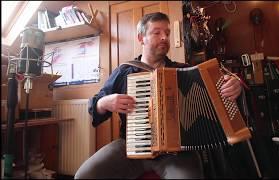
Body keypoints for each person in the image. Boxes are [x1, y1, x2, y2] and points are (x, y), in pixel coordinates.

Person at [75, 12, 242, 179]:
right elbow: (95, 105)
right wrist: (104, 102)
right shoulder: (124, 71)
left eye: (167, 33)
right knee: (85, 175)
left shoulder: (183, 71)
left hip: (177, 153)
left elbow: (217, 92)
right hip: (129, 147)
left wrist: (232, 85)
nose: (164, 37)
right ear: (141, 38)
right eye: (157, 32)